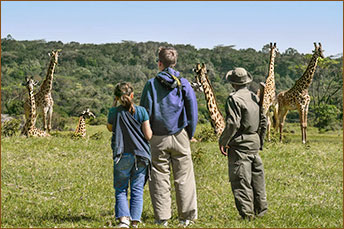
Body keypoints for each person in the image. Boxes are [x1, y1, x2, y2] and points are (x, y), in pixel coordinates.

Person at [140, 46, 198, 227]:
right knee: (184, 177)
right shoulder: (184, 82)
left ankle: (162, 218)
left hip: (157, 136)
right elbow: (192, 110)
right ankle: (186, 217)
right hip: (180, 134)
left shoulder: (151, 84)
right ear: (175, 62)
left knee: (158, 177)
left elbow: (144, 112)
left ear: (159, 63)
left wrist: (146, 136)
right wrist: (190, 132)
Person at [219, 67, 268, 220]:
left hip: (240, 144)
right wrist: (260, 140)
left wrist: (223, 141)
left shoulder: (234, 99)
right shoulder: (254, 97)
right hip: (254, 141)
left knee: (241, 179)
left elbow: (233, 123)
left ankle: (247, 215)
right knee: (257, 178)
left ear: (233, 83)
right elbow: (264, 121)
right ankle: (261, 211)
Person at [107, 82, 153, 228]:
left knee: (121, 188)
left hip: (122, 154)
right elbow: (148, 136)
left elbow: (109, 128)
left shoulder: (114, 112)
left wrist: (114, 105)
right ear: (132, 95)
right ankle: (134, 221)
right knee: (137, 189)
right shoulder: (142, 111)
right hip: (141, 155)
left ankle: (123, 220)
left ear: (117, 97)